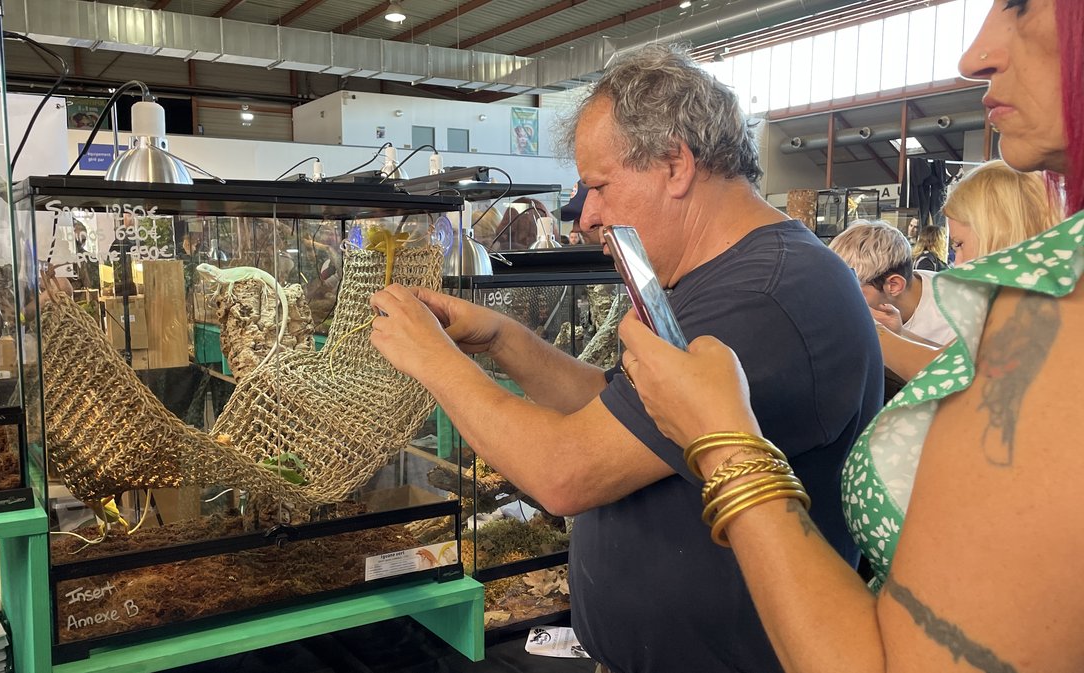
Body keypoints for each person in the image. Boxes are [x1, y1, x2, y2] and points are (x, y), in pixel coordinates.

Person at [369, 44, 882, 673]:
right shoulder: (714, 281)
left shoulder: (766, 296)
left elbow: (565, 473)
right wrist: (503, 339)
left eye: (599, 186)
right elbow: (612, 411)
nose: (586, 216)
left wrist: (435, 362)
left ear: (675, 165)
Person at [616, 1, 1084, 671]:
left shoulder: (1059, 307)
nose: (974, 54)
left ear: (677, 167)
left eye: (1021, 4)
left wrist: (723, 437)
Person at [880, 159, 1064, 380]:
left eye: (959, 245)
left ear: (997, 235)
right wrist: (900, 333)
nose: (957, 263)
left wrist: (875, 333)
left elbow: (952, 376)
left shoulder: (1035, 315)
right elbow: (956, 357)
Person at [828, 222, 956, 347]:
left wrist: (898, 336)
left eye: (851, 290)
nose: (840, 300)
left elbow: (958, 365)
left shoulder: (955, 314)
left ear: (893, 285)